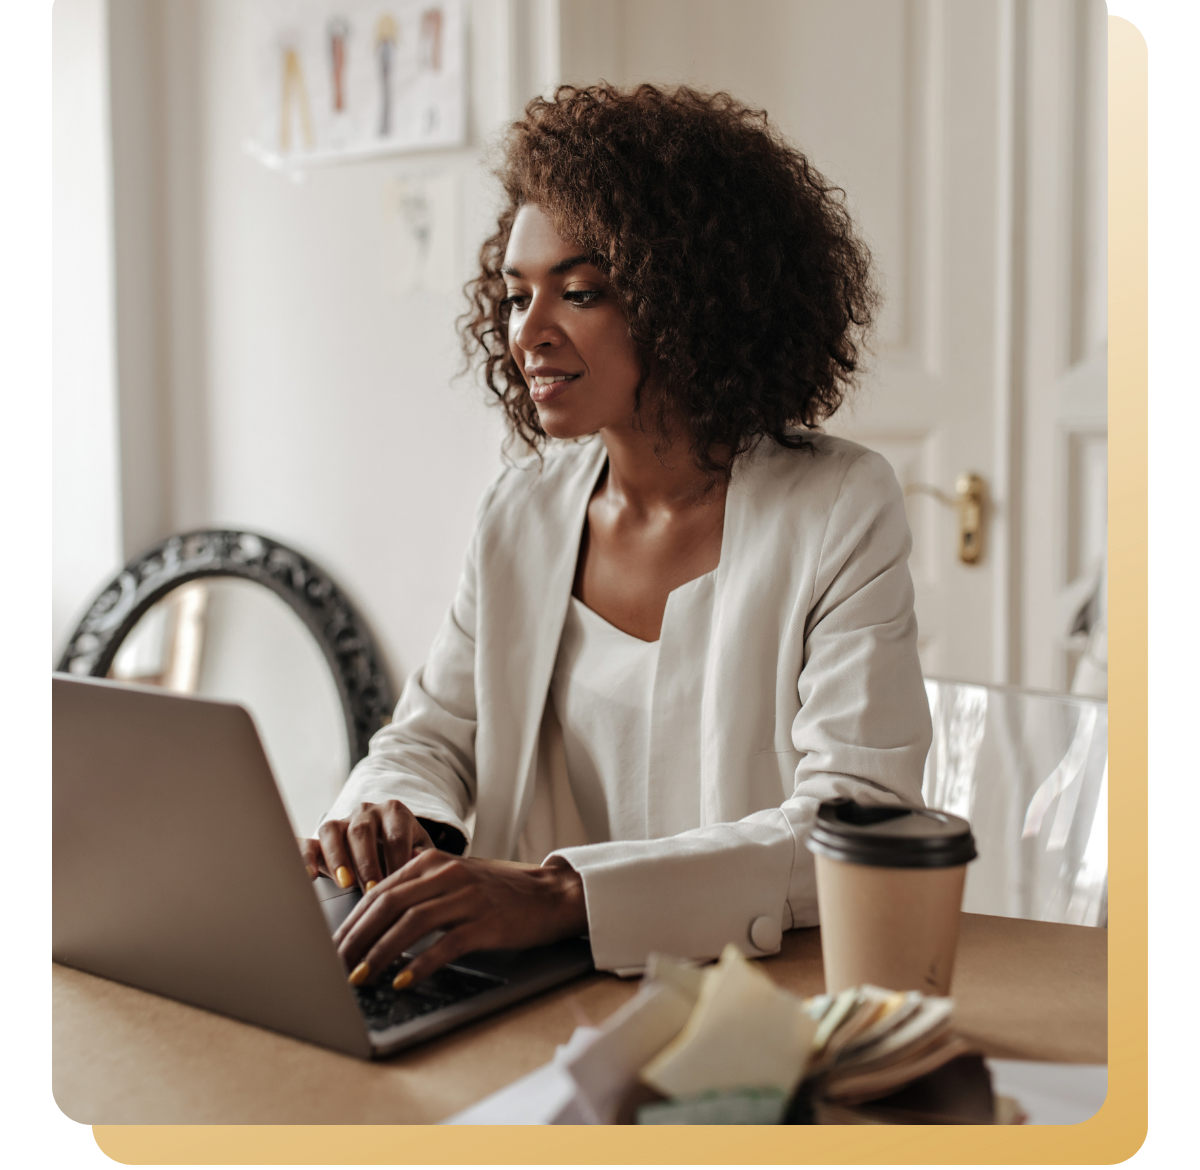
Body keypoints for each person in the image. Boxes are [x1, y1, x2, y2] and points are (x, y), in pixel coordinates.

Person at [301, 84, 931, 992]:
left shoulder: (837, 505)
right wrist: (394, 821)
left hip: (752, 998)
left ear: (695, 299)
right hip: (526, 995)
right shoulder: (520, 511)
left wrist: (559, 894)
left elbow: (856, 817)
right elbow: (431, 736)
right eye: (518, 296)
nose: (529, 335)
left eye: (581, 291)